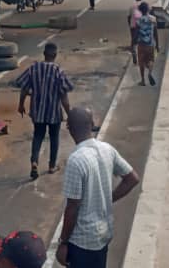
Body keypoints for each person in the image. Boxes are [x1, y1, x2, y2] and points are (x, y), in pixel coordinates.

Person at [57, 106, 139, 268]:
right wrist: (109, 198)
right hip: (103, 233)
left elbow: (72, 208)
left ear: (69, 128)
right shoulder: (107, 149)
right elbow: (132, 178)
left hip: (82, 241)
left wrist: (63, 242)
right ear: (92, 124)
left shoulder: (76, 160)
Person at [16, 43, 74, 179]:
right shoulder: (58, 71)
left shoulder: (33, 68)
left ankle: (34, 162)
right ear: (55, 55)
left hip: (38, 111)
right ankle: (52, 165)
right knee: (54, 138)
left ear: (44, 54)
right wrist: (69, 114)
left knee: (38, 136)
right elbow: (64, 97)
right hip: (54, 112)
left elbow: (23, 88)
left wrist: (21, 104)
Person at [135, 2, 159, 86]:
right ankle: (150, 72)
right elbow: (156, 33)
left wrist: (133, 44)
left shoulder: (138, 20)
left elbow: (136, 33)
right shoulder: (153, 19)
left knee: (141, 63)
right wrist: (157, 45)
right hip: (150, 44)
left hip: (141, 45)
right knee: (151, 60)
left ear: (140, 10)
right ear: (148, 9)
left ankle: (143, 80)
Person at [127, 0, 144, 64]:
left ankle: (134, 56)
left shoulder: (132, 6)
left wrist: (130, 25)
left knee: (133, 42)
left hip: (133, 26)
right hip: (141, 26)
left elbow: (128, 17)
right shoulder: (143, 6)